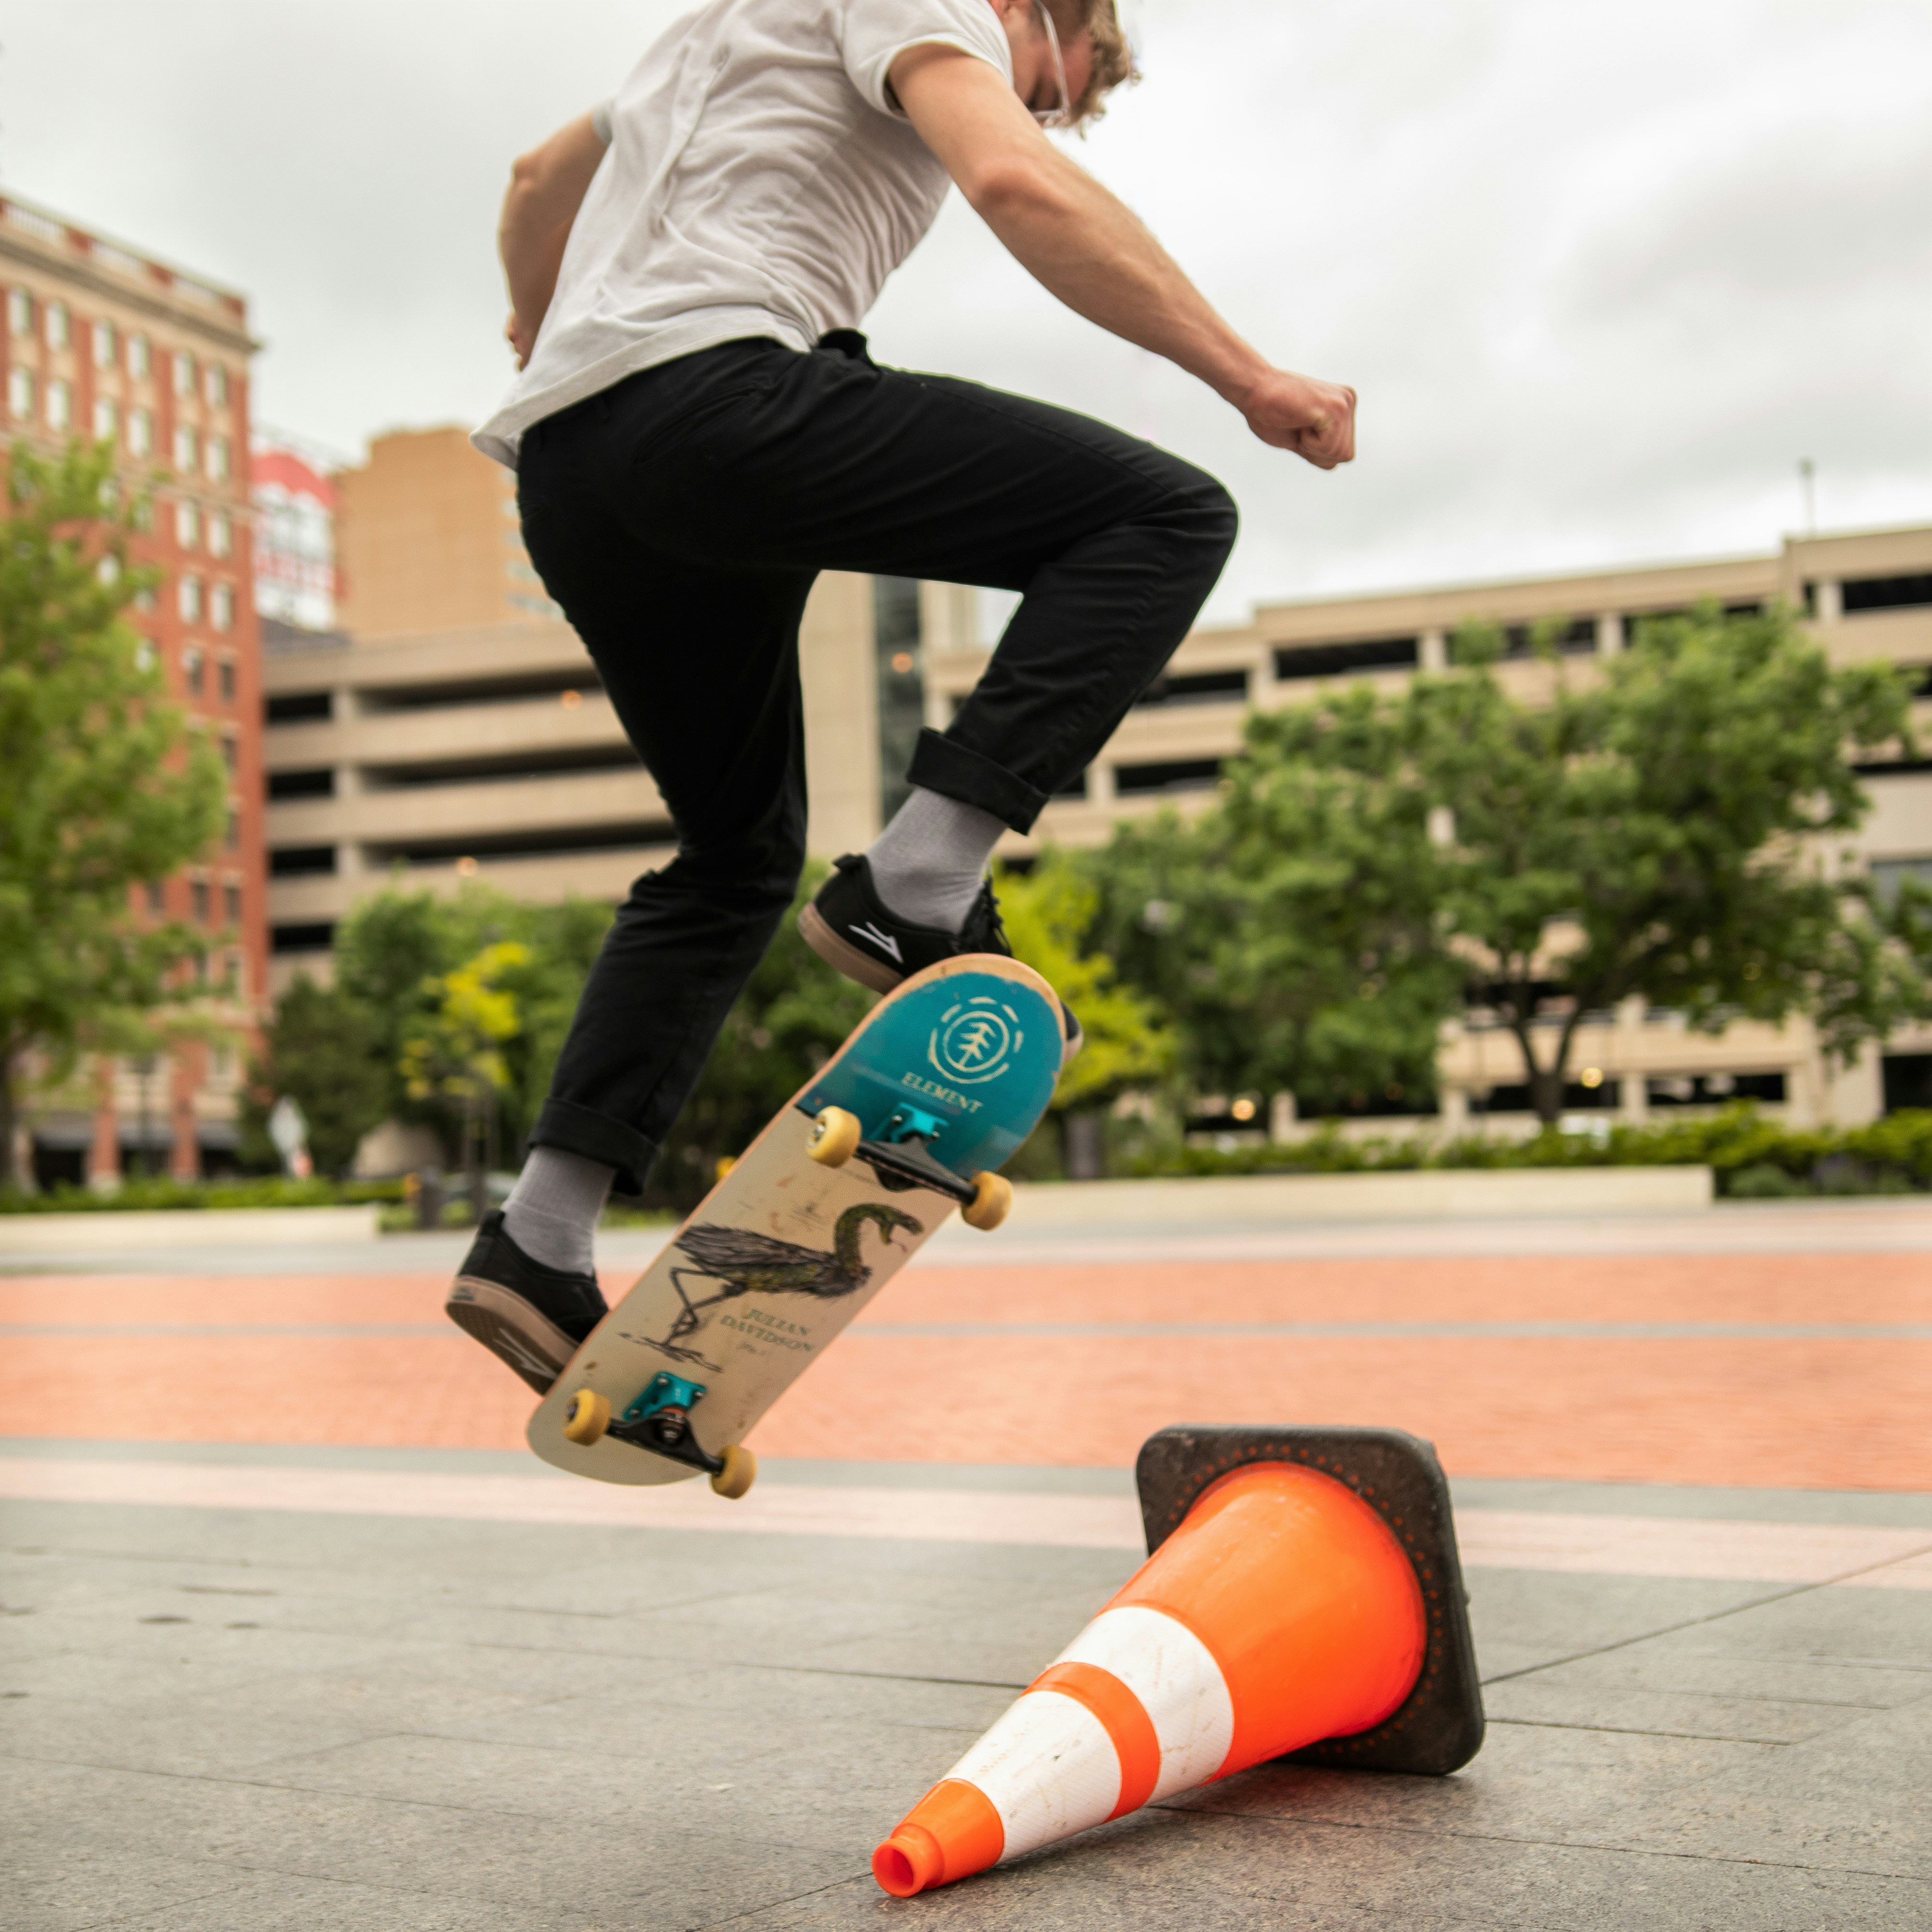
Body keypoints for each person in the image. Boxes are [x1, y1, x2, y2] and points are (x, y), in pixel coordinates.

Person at [445, 0, 1356, 1392]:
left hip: (574, 473)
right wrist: (1248, 375)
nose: (1034, 109)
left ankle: (538, 1238)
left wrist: (538, 323)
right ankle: (917, 885)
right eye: (1051, 85)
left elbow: (533, 186)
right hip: (714, 403)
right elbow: (1012, 182)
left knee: (733, 858)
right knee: (1165, 518)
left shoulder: (708, 34)